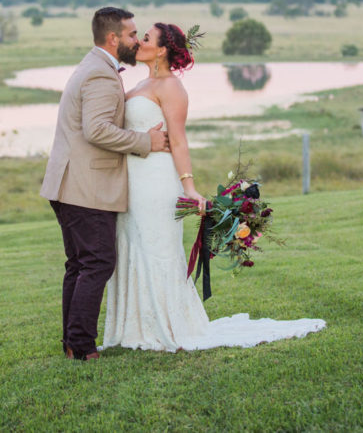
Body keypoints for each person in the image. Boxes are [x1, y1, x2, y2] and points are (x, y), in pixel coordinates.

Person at [103, 22, 326, 352]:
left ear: (162, 49)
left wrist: (189, 188)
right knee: (131, 243)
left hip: (156, 181)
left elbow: (178, 141)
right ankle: (131, 327)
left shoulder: (172, 88)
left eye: (146, 38)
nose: (139, 42)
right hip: (131, 181)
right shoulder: (141, 81)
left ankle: (165, 325)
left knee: (155, 247)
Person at [40, 7, 170, 361]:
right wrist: (146, 142)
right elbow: (96, 129)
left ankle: (73, 343)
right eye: (131, 34)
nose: (135, 39)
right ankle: (81, 347)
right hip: (87, 186)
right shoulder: (99, 74)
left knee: (80, 264)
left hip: (71, 184)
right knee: (97, 263)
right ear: (113, 39)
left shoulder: (94, 66)